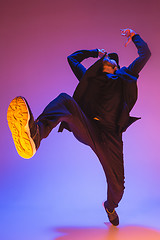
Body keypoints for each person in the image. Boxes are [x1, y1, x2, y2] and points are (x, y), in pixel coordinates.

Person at [7, 28, 151, 226]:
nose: (108, 61)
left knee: (118, 188)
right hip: (89, 126)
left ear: (117, 66)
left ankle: (110, 206)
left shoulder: (126, 77)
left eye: (112, 60)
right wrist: (93, 52)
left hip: (110, 137)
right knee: (65, 100)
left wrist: (134, 36)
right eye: (106, 60)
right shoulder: (91, 79)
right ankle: (35, 133)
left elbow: (146, 54)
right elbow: (72, 59)